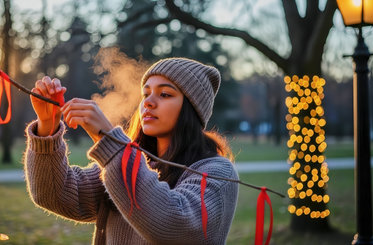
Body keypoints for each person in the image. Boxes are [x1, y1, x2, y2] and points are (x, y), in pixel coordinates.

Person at [24, 57, 239, 245]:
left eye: (164, 94)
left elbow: (175, 225)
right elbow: (55, 194)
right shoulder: (132, 163)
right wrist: (47, 126)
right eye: (146, 94)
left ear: (192, 109)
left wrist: (110, 142)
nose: (149, 103)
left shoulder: (218, 172)